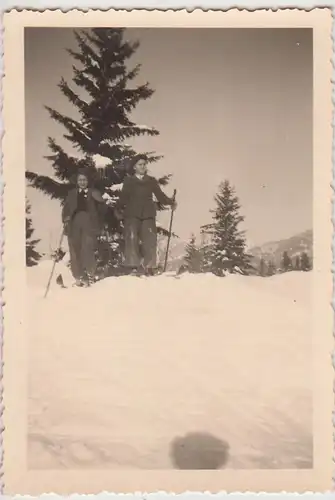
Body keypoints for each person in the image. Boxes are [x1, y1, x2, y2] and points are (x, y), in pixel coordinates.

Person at [115, 155, 177, 276]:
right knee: (132, 239)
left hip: (148, 214)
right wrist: (117, 209)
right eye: (140, 164)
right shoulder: (129, 181)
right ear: (134, 167)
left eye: (144, 164)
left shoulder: (151, 181)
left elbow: (160, 196)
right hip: (132, 214)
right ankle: (134, 267)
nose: (142, 166)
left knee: (150, 240)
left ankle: (149, 267)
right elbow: (123, 197)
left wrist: (171, 202)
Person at [62, 168, 110, 287]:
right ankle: (78, 277)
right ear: (77, 181)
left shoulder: (93, 192)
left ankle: (90, 274)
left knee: (87, 248)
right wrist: (66, 218)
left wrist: (100, 201)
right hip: (74, 224)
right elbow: (66, 209)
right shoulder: (72, 193)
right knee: (74, 249)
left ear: (88, 181)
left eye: (84, 180)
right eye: (80, 180)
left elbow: (102, 210)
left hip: (89, 223)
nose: (82, 182)